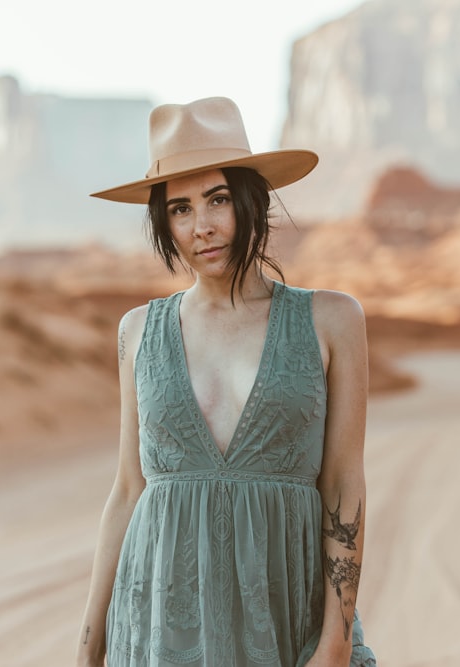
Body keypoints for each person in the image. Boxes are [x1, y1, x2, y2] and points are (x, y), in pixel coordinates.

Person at [76, 96, 376, 667]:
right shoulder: (138, 332)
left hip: (286, 619)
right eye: (180, 209)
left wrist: (334, 644)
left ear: (249, 201)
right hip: (159, 630)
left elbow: (344, 484)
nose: (203, 226)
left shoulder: (333, 320)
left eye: (218, 200)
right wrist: (90, 648)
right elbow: (127, 491)